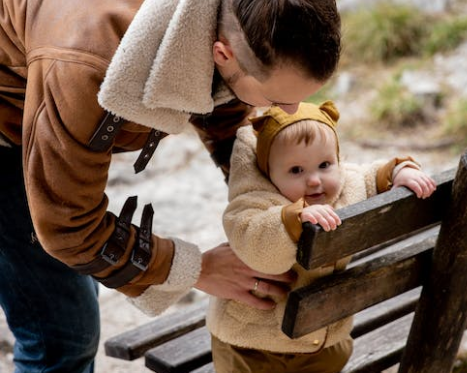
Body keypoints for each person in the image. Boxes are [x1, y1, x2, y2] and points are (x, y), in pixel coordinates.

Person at [0, 0, 343, 372]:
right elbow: (68, 227)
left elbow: (223, 101)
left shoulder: (231, 20)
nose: (292, 111)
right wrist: (197, 268)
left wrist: (271, 198)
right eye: (277, 99)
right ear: (222, 53)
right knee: (63, 336)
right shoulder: (85, 61)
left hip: (58, 89)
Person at [206, 101, 437, 373]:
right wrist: (292, 219)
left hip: (321, 339)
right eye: (296, 170)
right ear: (269, 173)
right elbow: (254, 241)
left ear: (338, 160)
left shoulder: (346, 185)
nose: (314, 180)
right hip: (252, 344)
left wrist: (399, 171)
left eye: (325, 164)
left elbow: (371, 175)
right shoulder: (256, 204)